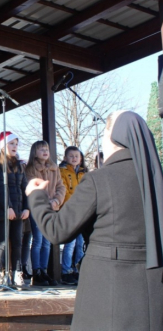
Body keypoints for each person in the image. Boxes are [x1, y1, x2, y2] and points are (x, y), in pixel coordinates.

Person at [26, 111, 163, 331]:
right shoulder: (156, 180)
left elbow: (57, 231)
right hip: (153, 295)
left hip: (108, 293)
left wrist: (36, 197)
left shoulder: (99, 180)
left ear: (112, 137)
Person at [0, 131, 29, 286]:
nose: (15, 146)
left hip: (19, 210)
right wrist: (8, 207)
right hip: (2, 210)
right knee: (2, 243)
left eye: (16, 144)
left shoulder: (20, 165)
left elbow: (24, 187)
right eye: (11, 143)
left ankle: (17, 273)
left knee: (17, 242)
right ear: (3, 146)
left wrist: (27, 207)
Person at [25, 140, 65, 286]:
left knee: (47, 241)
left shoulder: (55, 168)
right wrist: (43, 201)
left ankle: (44, 270)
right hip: (38, 209)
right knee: (38, 241)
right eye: (41, 149)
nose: (45, 151)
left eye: (46, 149)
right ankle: (36, 272)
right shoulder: (30, 168)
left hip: (52, 208)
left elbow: (61, 187)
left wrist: (56, 201)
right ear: (34, 152)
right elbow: (32, 187)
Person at [59, 146, 87, 285]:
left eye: (77, 156)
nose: (74, 158)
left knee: (81, 243)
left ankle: (78, 268)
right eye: (71, 156)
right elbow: (64, 190)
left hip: (83, 211)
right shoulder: (62, 172)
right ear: (65, 158)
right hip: (70, 210)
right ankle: (66, 270)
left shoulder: (84, 173)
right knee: (70, 243)